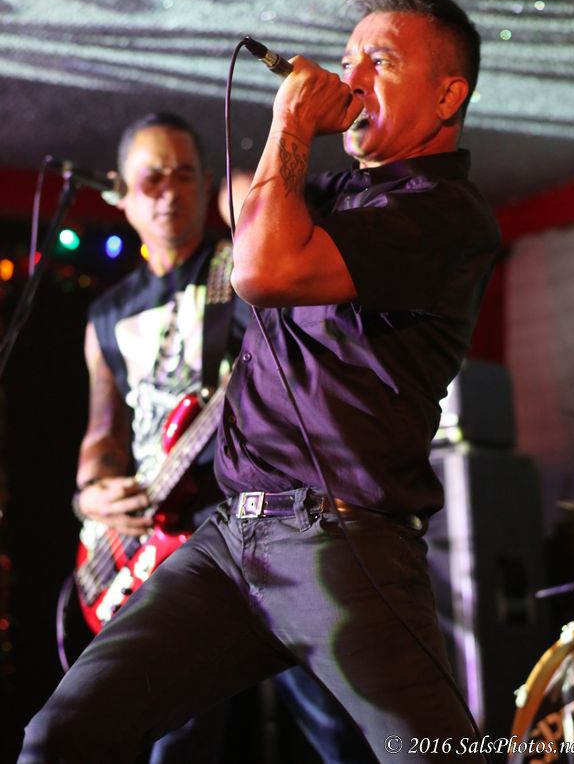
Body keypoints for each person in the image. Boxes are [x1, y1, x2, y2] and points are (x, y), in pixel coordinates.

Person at [19, 0, 500, 763]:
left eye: (379, 62)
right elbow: (259, 223)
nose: (349, 79)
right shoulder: (334, 195)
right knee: (61, 736)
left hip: (339, 538)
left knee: (435, 754)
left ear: (448, 96)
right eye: (346, 60)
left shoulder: (444, 212)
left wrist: (290, 122)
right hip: (227, 541)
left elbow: (261, 268)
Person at [59, 110, 369, 764]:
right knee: (177, 738)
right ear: (121, 193)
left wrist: (241, 191)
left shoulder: (242, 264)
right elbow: (103, 432)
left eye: (185, 175)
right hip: (162, 542)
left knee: (335, 717)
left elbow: (297, 238)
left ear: (205, 185)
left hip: (262, 524)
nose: (169, 191)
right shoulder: (106, 315)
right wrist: (92, 492)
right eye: (152, 178)